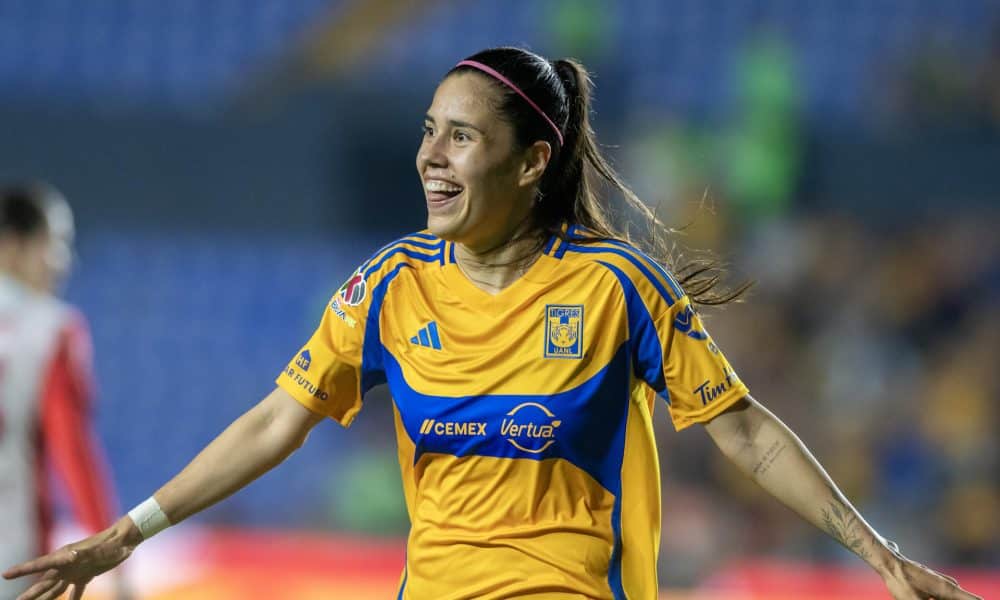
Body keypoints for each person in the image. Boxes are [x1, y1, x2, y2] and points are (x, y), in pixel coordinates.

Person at [3, 48, 981, 600]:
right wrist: (123, 535)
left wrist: (878, 555)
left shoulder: (614, 289)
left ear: (529, 164)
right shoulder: (389, 285)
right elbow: (276, 421)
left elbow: (743, 428)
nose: (430, 155)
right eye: (429, 130)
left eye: (460, 136)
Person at [0, 183, 122, 599]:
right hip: (13, 554)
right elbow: (74, 451)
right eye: (54, 244)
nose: (64, 262)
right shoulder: (50, 329)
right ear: (12, 245)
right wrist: (114, 554)